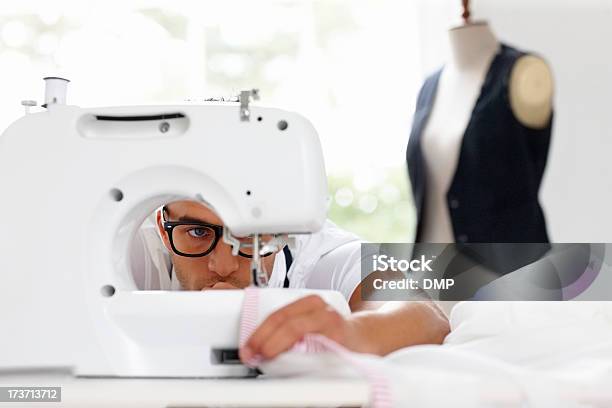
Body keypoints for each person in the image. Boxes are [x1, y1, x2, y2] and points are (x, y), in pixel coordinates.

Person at [132, 199, 450, 363]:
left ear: (284, 229)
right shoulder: (125, 249)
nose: (222, 265)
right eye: (198, 232)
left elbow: (423, 316)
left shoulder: (323, 253)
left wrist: (349, 331)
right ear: (162, 227)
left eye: (248, 234)